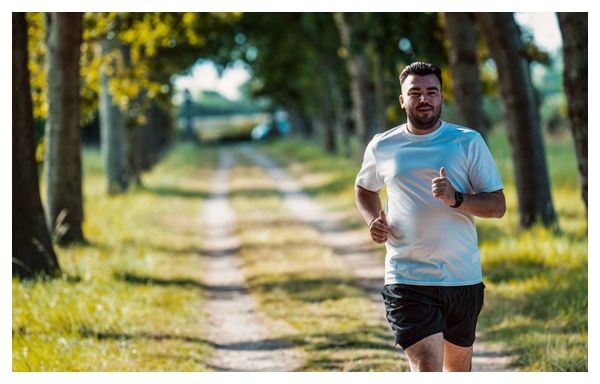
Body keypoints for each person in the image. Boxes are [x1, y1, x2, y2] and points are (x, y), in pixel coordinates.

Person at [354, 62, 506, 372]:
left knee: (457, 371)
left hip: (461, 277)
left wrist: (457, 198)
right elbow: (364, 188)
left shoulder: (467, 141)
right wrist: (373, 220)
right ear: (402, 100)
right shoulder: (383, 144)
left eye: (431, 92)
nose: (424, 99)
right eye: (415, 93)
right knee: (426, 365)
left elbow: (498, 205)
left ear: (441, 97)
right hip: (406, 276)